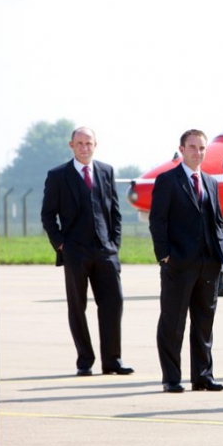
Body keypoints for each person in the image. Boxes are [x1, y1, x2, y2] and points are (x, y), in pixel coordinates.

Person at [41, 127, 133, 376]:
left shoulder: (106, 171)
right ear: (71, 145)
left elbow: (114, 212)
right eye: (79, 143)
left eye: (88, 143)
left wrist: (114, 244)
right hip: (75, 251)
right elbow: (48, 215)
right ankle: (85, 360)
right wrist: (61, 244)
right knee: (77, 307)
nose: (84, 147)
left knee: (114, 303)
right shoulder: (58, 175)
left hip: (105, 251)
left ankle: (112, 360)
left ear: (95, 145)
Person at [149, 130, 223, 393]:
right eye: (192, 147)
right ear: (182, 149)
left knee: (204, 323)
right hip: (178, 264)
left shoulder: (210, 181)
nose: (197, 152)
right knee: (173, 322)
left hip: (208, 264)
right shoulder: (167, 180)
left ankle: (202, 376)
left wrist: (222, 258)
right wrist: (164, 255)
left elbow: (217, 222)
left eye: (202, 148)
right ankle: (172, 378)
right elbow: (158, 221)